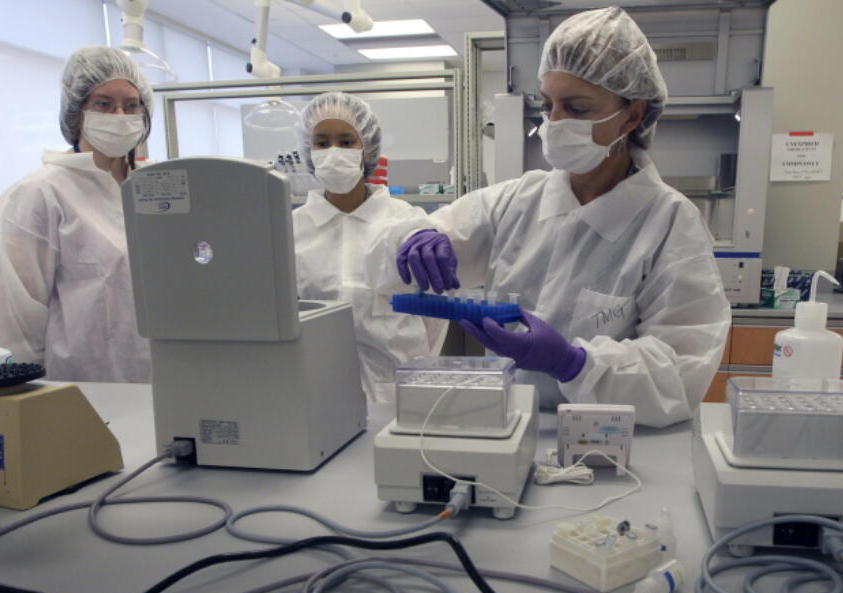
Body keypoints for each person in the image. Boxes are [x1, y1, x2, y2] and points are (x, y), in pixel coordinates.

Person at [391, 6, 730, 428]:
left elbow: (681, 371)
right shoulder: (517, 199)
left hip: (610, 441)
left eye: (577, 108)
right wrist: (420, 235)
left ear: (632, 115)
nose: (554, 123)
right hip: (508, 426)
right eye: (548, 105)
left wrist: (574, 363)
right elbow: (424, 235)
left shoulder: (670, 223)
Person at [0, 46, 152, 383]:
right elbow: (15, 318)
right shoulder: (39, 193)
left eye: (131, 105)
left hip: (161, 382)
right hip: (80, 390)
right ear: (76, 112)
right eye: (104, 104)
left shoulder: (153, 191)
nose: (120, 116)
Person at [292, 92, 444, 403]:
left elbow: (436, 316)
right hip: (318, 396)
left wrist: (418, 373)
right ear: (308, 151)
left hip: (400, 393)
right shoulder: (291, 231)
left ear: (368, 148)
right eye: (322, 142)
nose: (333, 152)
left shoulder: (407, 222)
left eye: (346, 142)